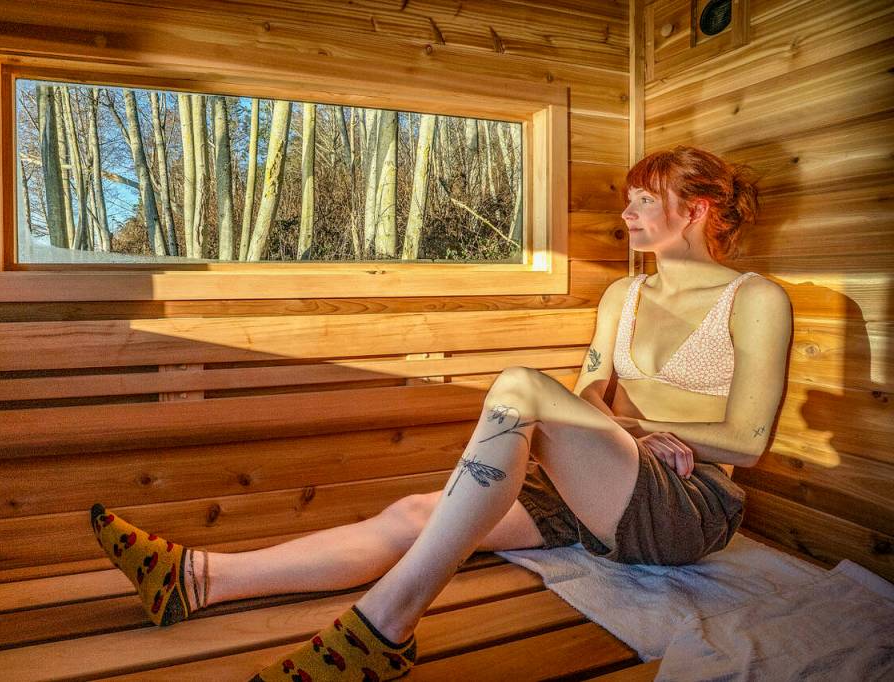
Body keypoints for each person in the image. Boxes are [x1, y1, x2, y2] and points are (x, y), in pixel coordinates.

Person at [89, 145, 793, 681]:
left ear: (696, 209)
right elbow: (587, 401)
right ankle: (198, 578)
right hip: (613, 482)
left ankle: (387, 625)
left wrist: (643, 438)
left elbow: (749, 441)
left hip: (687, 507)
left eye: (645, 200)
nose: (627, 214)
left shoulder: (756, 300)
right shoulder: (622, 299)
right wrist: (633, 434)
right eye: (629, 202)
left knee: (519, 383)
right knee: (413, 513)